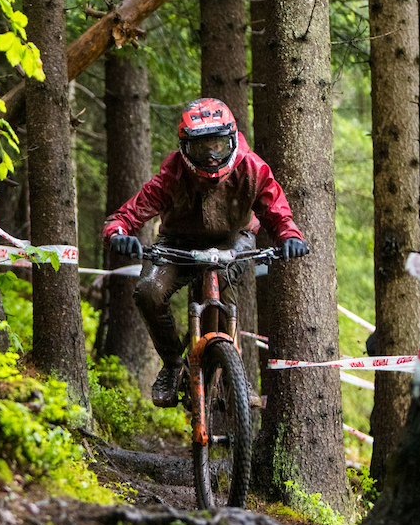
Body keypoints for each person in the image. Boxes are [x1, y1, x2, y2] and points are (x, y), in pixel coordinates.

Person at [101, 98, 308, 407]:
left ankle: (235, 375)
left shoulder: (252, 167)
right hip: (177, 244)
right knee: (148, 292)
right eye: (202, 148)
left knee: (220, 286)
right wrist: (118, 235)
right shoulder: (173, 173)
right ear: (186, 149)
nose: (212, 157)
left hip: (232, 241)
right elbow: (126, 215)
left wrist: (289, 237)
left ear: (233, 140)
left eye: (219, 146)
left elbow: (277, 212)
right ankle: (173, 364)